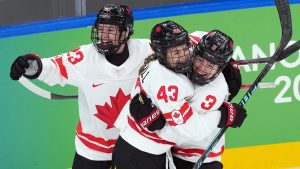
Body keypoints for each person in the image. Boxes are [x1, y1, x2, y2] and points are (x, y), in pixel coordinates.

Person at [9, 4, 153, 169]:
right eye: (101, 28)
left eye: (111, 30)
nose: (104, 35)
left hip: (134, 146)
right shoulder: (85, 57)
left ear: (126, 32)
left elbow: (178, 51)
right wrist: (30, 65)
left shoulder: (147, 51)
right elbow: (54, 68)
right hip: (93, 151)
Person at [112, 21, 246, 169]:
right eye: (200, 60)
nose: (202, 69)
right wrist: (223, 115)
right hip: (145, 155)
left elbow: (191, 131)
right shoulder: (173, 80)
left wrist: (223, 115)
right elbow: (189, 130)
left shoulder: (213, 91)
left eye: (210, 65)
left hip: (191, 155)